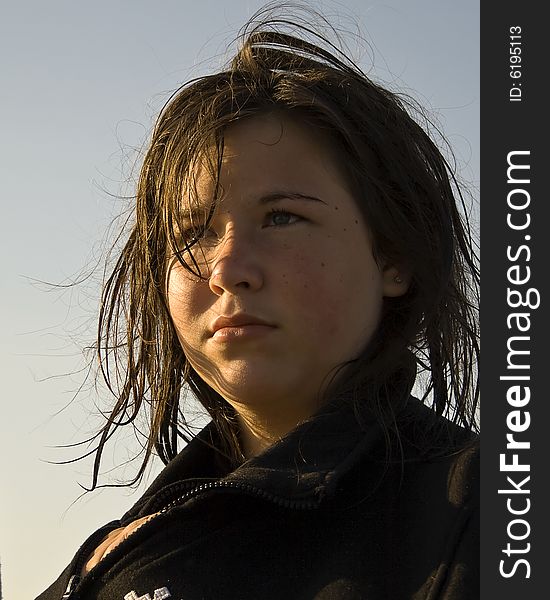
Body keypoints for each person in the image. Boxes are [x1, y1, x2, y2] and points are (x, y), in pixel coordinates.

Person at [37, 6, 479, 600]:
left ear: (393, 256)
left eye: (282, 217)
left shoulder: (486, 512)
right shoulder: (121, 548)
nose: (227, 269)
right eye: (191, 232)